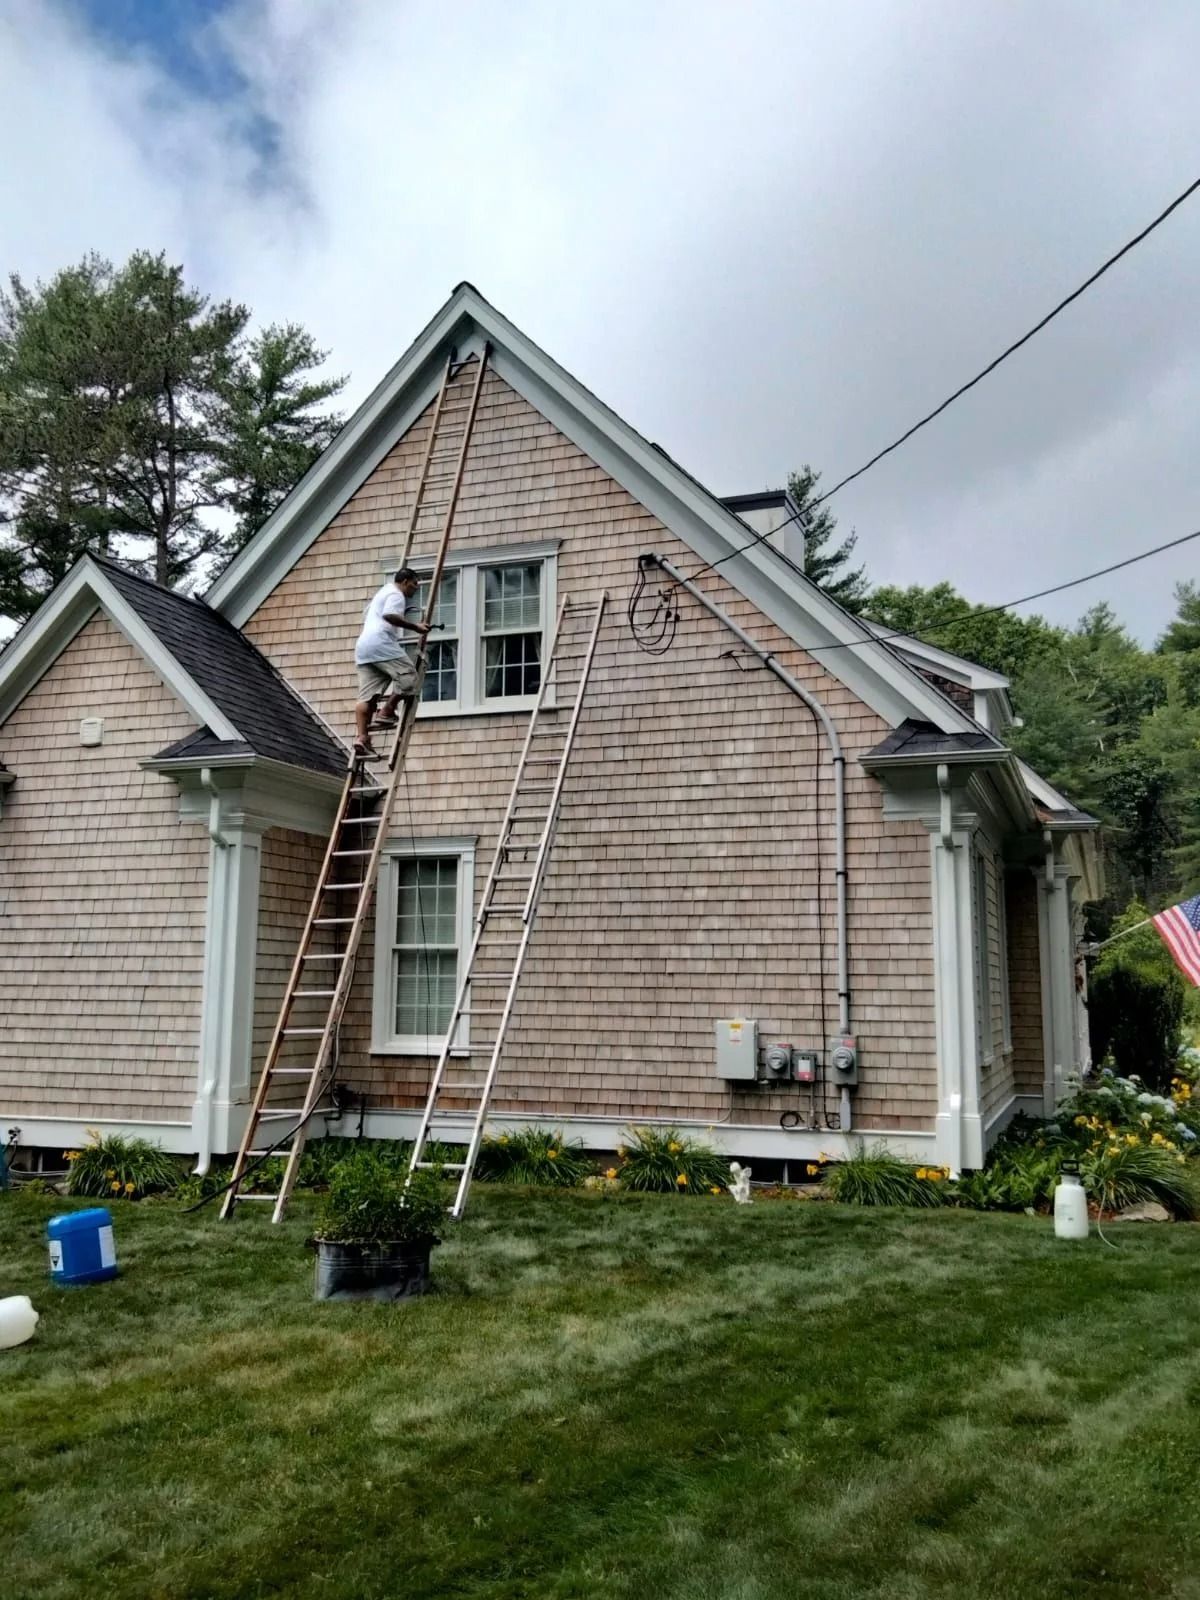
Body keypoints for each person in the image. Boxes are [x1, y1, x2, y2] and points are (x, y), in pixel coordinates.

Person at [353, 567, 429, 758]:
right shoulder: (396, 595)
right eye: (414, 584)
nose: (415, 589)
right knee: (410, 677)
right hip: (381, 643)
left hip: (364, 648)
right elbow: (389, 615)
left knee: (367, 698)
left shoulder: (383, 591)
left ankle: (362, 737)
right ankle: (387, 710)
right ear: (404, 581)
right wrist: (415, 627)